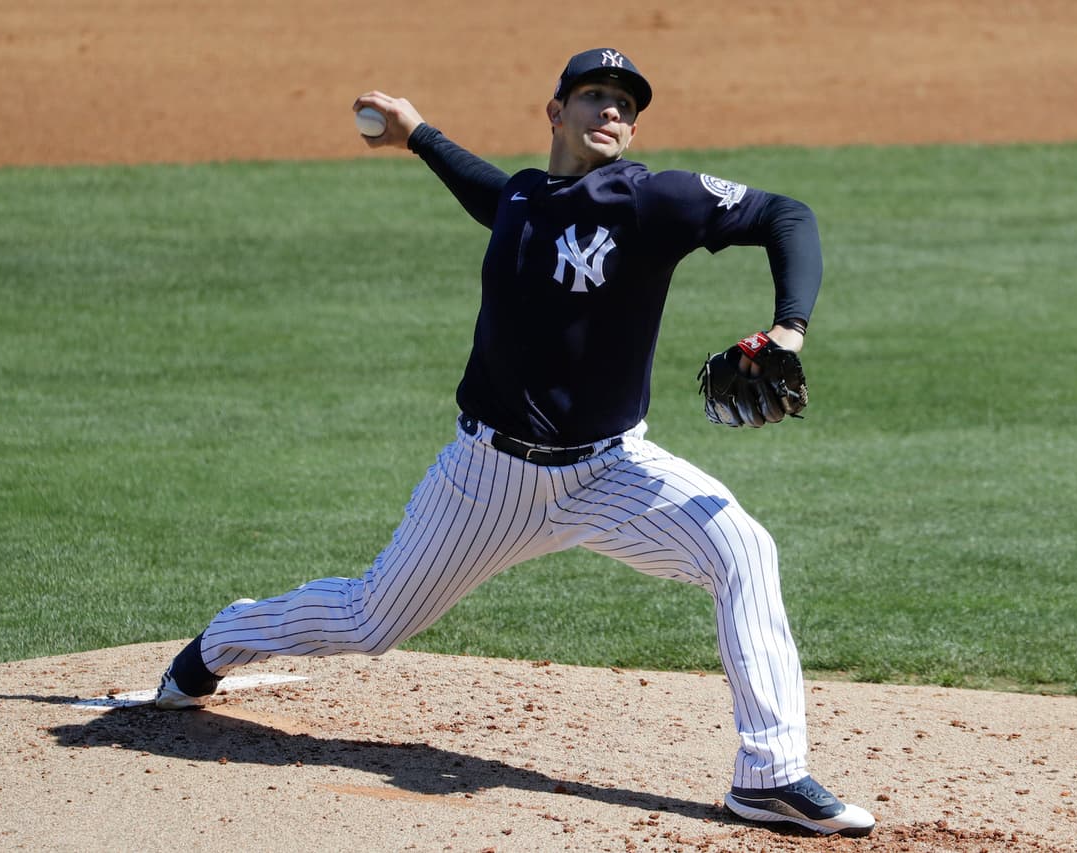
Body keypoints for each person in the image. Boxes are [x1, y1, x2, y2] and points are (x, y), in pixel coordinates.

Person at [153, 48, 874, 837]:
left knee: (742, 550)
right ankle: (219, 643)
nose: (611, 112)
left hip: (613, 469)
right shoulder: (526, 199)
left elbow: (786, 214)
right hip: (487, 481)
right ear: (554, 111)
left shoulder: (653, 199)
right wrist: (418, 133)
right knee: (369, 621)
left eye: (625, 105)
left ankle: (769, 775)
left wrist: (788, 330)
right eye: (594, 96)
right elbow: (491, 194)